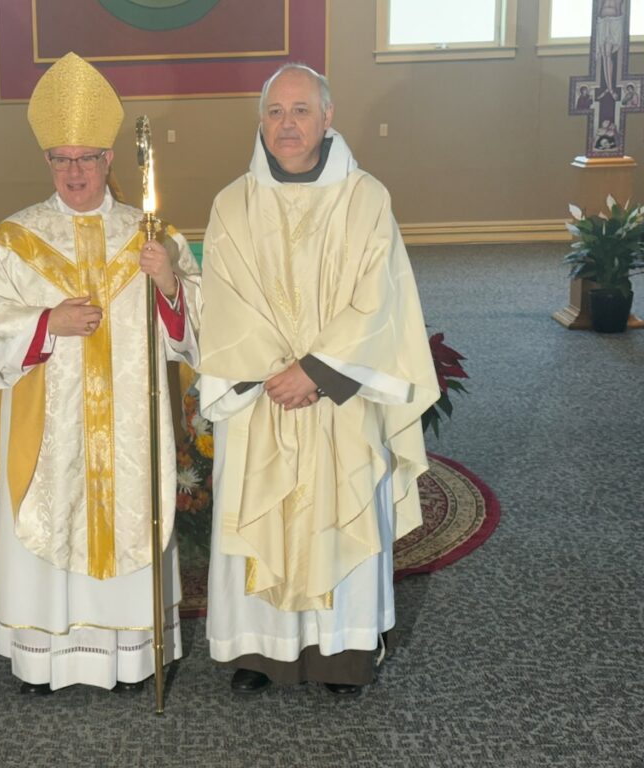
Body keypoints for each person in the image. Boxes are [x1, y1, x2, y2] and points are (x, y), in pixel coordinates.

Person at [0, 52, 201, 695]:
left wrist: (169, 282)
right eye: (61, 159)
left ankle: (132, 657)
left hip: (129, 431)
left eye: (86, 158)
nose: (73, 171)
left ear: (108, 161)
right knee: (47, 519)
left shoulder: (150, 235)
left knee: (132, 519)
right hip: (50, 428)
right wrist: (46, 325)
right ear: (47, 163)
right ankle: (44, 659)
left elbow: (195, 330)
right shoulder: (12, 241)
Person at [198, 64, 439, 697]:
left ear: (328, 118)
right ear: (261, 122)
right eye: (275, 112)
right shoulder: (231, 204)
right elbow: (224, 302)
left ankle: (343, 655)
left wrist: (317, 370)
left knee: (340, 511)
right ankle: (260, 650)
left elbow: (379, 298)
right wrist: (277, 373)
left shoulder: (366, 198)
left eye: (301, 111)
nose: (288, 124)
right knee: (260, 509)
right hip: (262, 399)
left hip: (339, 395)